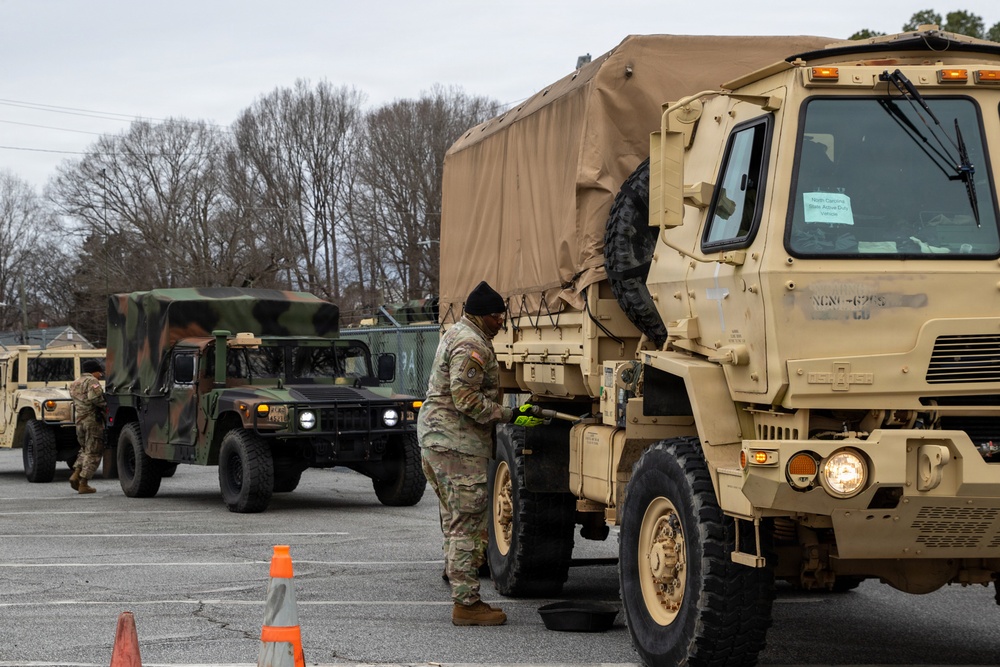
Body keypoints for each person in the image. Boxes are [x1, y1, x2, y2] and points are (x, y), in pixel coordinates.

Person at [418, 280, 543, 627]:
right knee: (466, 523)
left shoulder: (460, 332)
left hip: (440, 441)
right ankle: (467, 604)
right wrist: (510, 415)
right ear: (481, 315)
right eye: (496, 315)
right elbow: (466, 400)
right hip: (455, 444)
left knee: (454, 517)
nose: (501, 320)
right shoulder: (472, 344)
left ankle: (457, 577)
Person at [68, 359, 106, 495]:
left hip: (79, 422)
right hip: (92, 422)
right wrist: (106, 404)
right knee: (94, 452)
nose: (101, 375)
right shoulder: (92, 381)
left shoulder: (75, 383)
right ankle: (84, 483)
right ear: (94, 371)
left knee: (84, 450)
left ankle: (76, 474)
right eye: (99, 372)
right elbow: (95, 398)